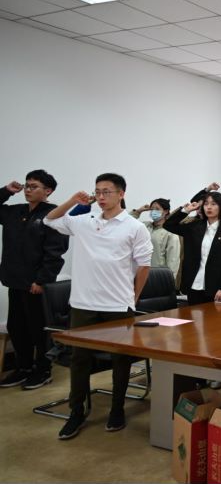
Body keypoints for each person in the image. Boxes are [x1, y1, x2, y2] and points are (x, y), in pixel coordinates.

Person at [43, 173, 153, 440]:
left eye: (107, 192)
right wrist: (73, 200)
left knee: (120, 359)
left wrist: (133, 298)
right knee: (80, 359)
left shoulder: (134, 227)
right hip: (83, 303)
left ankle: (117, 409)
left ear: (121, 194)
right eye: (98, 192)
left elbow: (144, 266)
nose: (101, 197)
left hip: (118, 304)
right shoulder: (85, 221)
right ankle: (76, 411)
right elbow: (49, 220)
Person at [0, 170, 69, 390]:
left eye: (34, 186)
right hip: (14, 280)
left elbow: (55, 252)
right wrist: (6, 191)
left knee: (38, 328)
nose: (28, 190)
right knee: (17, 327)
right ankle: (23, 367)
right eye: (27, 185)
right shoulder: (15, 211)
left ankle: (43, 369)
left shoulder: (53, 214)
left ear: (48, 191)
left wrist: (42, 280)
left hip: (37, 284)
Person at [164, 191, 221, 305]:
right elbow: (168, 225)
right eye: (206, 204)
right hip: (194, 284)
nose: (209, 207)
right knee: (193, 315)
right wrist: (186, 210)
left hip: (216, 287)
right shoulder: (195, 227)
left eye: (213, 204)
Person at [130, 198, 180, 281]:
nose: (153, 211)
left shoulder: (171, 232)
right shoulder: (145, 226)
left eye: (157, 209)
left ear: (166, 211)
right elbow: (126, 222)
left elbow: (173, 260)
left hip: (159, 276)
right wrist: (138, 211)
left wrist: (170, 280)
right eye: (152, 209)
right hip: (140, 272)